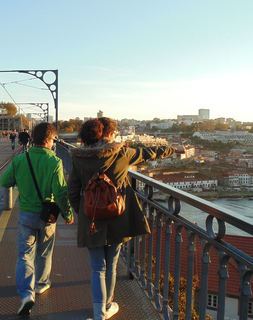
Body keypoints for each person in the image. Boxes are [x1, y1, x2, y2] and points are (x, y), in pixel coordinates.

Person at [67, 118, 177, 320]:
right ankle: (108, 305)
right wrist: (170, 149)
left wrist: (83, 211)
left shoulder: (79, 157)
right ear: (109, 134)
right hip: (117, 215)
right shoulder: (122, 153)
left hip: (91, 218)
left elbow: (72, 191)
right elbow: (147, 153)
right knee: (112, 263)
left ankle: (98, 312)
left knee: (97, 267)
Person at [0, 122, 74, 317]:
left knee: (24, 253)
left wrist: (20, 179)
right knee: (44, 251)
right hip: (47, 215)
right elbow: (60, 192)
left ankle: (26, 294)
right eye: (53, 140)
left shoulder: (20, 159)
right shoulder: (55, 162)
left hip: (25, 214)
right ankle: (41, 283)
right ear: (48, 140)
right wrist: (68, 214)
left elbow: (4, 181)